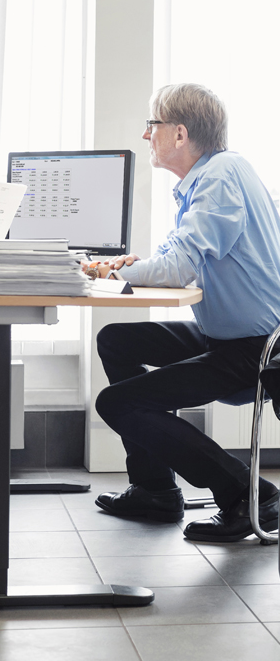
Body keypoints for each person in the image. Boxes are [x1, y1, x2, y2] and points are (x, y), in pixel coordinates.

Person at [84, 83, 280, 542]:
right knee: (116, 339)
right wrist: (132, 267)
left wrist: (111, 275)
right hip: (226, 337)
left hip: (256, 350)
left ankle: (250, 495)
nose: (145, 135)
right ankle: (154, 489)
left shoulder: (219, 177)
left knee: (119, 403)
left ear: (179, 133)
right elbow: (179, 259)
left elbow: (177, 267)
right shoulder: (209, 178)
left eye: (151, 125)